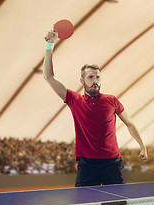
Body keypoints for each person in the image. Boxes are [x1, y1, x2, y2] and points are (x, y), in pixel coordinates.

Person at [43, 30, 147, 187]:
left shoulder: (111, 100)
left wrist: (142, 146)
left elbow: (129, 123)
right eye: (91, 77)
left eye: (98, 77)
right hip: (87, 165)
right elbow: (48, 76)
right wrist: (49, 45)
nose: (95, 81)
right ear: (82, 80)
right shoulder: (74, 99)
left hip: (113, 164)